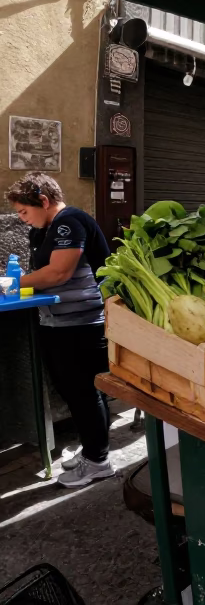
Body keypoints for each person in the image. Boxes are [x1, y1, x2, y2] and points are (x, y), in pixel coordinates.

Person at [7, 173, 114, 487]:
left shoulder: (70, 222)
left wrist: (11, 284)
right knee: (77, 393)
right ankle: (95, 450)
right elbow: (38, 273)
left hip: (83, 325)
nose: (23, 220)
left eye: (25, 212)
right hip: (58, 323)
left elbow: (57, 273)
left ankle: (98, 462)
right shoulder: (44, 231)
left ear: (43, 201)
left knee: (83, 392)